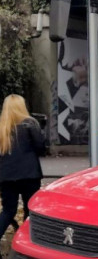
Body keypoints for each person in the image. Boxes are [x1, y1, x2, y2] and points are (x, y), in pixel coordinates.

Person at [0, 95, 46, 247]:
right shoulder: (30, 124)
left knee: (8, 211)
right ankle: (26, 244)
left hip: (6, 176)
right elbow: (41, 148)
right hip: (29, 174)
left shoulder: (2, 127)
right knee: (30, 210)